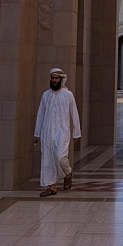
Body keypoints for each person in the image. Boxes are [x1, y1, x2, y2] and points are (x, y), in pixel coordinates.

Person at [33, 67, 81, 197]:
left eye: (56, 78)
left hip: (62, 131)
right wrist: (37, 133)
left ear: (61, 79)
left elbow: (74, 114)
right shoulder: (46, 95)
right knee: (47, 159)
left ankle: (67, 173)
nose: (54, 80)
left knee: (60, 157)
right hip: (47, 132)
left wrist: (77, 133)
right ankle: (51, 187)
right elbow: (40, 114)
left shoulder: (68, 94)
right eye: (52, 78)